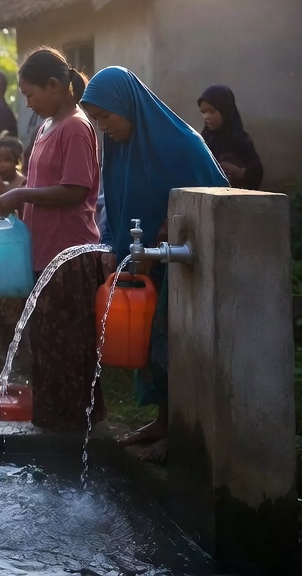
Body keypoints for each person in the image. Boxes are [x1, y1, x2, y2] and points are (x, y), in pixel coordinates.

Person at [81, 66, 227, 462]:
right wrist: (118, 247)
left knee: (175, 345)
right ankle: (163, 420)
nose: (102, 127)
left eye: (105, 117)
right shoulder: (122, 150)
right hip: (147, 263)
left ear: (126, 106)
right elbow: (119, 204)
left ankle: (183, 430)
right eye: (96, 120)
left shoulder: (181, 146)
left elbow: (217, 207)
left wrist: (162, 238)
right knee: (148, 343)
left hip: (185, 267)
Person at [0, 48, 105, 428]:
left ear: (54, 86)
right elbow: (41, 182)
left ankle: (75, 430)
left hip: (69, 254)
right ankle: (53, 427)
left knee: (69, 346)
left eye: (31, 94)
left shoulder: (75, 126)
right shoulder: (47, 125)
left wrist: (20, 195)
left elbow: (75, 189)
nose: (28, 102)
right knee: (47, 346)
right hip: (44, 252)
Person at [0, 135, 28, 359]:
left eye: (6, 160)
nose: (1, 165)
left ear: (17, 160)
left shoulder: (25, 185)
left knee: (13, 301)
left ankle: (11, 347)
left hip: (16, 255)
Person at [198, 85, 263, 190]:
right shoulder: (205, 139)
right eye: (203, 112)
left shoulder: (239, 139)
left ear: (225, 110)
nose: (206, 117)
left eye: (212, 111)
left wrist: (240, 173)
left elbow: (256, 172)